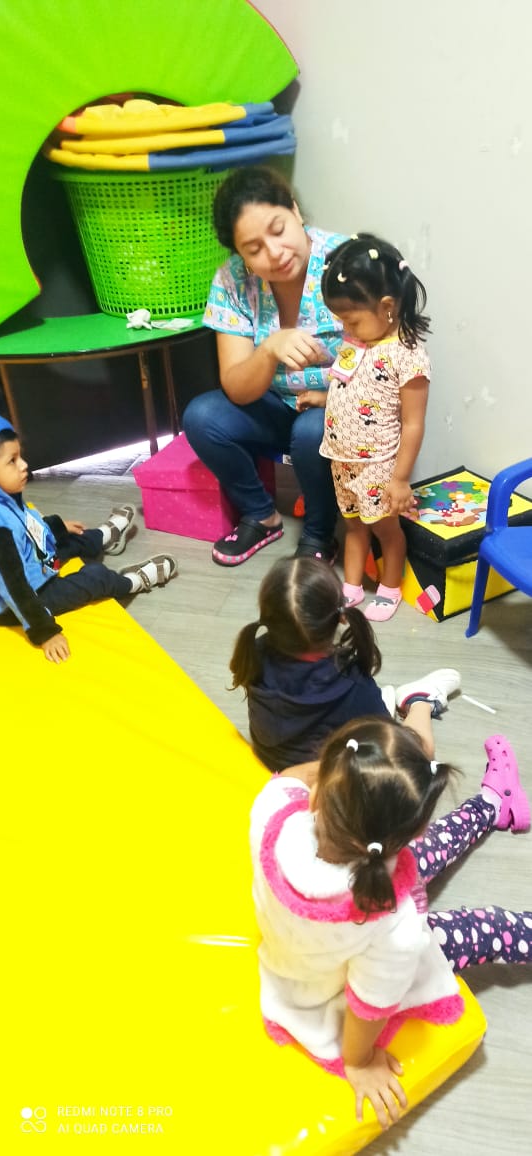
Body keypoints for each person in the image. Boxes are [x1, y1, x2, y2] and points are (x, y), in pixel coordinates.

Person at [250, 718, 532, 1130]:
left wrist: (342, 777)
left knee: (433, 850)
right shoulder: (394, 926)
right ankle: (490, 806)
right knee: (488, 926)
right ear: (407, 836)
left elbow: (291, 777)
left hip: (296, 958)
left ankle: (493, 804)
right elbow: (371, 1002)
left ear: (318, 794)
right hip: (331, 978)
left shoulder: (270, 811)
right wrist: (359, 1061)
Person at [182, 165, 348, 567]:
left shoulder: (346, 262)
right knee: (202, 416)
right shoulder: (233, 281)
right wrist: (270, 350)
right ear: (240, 255)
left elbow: (384, 360)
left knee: (311, 431)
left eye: (278, 229)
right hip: (273, 407)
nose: (274, 253)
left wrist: (328, 397)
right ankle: (261, 514)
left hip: (340, 408)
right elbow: (237, 388)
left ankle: (319, 534)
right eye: (253, 249)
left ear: (295, 210)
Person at [296, 232, 431, 621]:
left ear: (387, 307)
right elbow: (352, 385)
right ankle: (351, 587)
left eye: (351, 318)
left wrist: (400, 479)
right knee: (353, 526)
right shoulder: (357, 342)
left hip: (378, 465)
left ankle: (389, 589)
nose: (345, 327)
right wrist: (323, 398)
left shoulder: (406, 356)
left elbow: (413, 423)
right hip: (343, 459)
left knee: (387, 530)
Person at [229, 556, 459, 771]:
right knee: (420, 754)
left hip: (276, 763)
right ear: (341, 616)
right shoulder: (351, 680)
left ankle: (380, 704)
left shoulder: (252, 651)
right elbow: (387, 739)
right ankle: (419, 699)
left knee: (362, 710)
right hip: (334, 774)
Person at [0, 416, 177, 662]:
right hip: (24, 599)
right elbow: (14, 587)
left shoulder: (6, 495)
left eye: (20, 456)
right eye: (12, 461)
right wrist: (45, 632)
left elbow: (26, 526)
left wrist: (57, 527)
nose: (24, 465)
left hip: (32, 564)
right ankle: (133, 581)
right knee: (94, 577)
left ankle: (104, 538)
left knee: (71, 538)